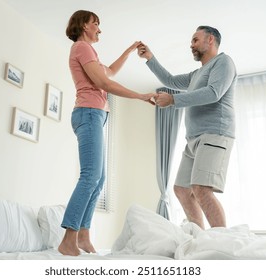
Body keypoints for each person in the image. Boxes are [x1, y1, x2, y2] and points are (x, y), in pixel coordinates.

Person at [59, 10, 156, 256]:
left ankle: (83, 236)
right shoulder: (82, 47)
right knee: (90, 176)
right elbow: (104, 84)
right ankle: (68, 238)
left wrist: (129, 50)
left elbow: (109, 72)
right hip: (89, 113)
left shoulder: (88, 51)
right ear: (83, 25)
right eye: (96, 24)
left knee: (99, 180)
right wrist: (140, 96)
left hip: (95, 115)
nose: (99, 29)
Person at [138, 26, 237, 229]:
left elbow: (213, 93)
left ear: (210, 40)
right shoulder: (197, 74)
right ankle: (199, 237)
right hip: (193, 139)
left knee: (201, 189)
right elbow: (171, 81)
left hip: (214, 134)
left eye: (195, 40)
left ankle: (222, 242)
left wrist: (173, 99)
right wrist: (150, 58)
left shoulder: (223, 62)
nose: (191, 45)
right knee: (182, 189)